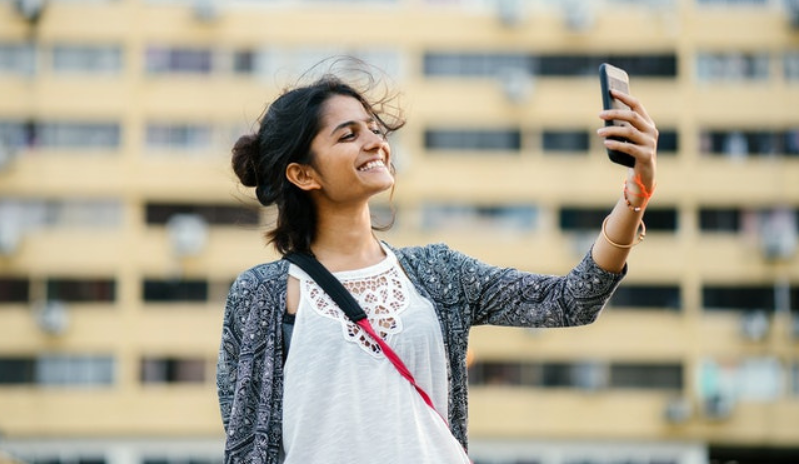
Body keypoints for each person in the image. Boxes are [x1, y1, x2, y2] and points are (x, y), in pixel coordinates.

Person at [216, 65, 658, 463]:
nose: (375, 142)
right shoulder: (263, 294)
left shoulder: (438, 274)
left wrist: (636, 194)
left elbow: (569, 301)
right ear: (303, 174)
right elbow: (243, 439)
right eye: (348, 135)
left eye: (374, 129)